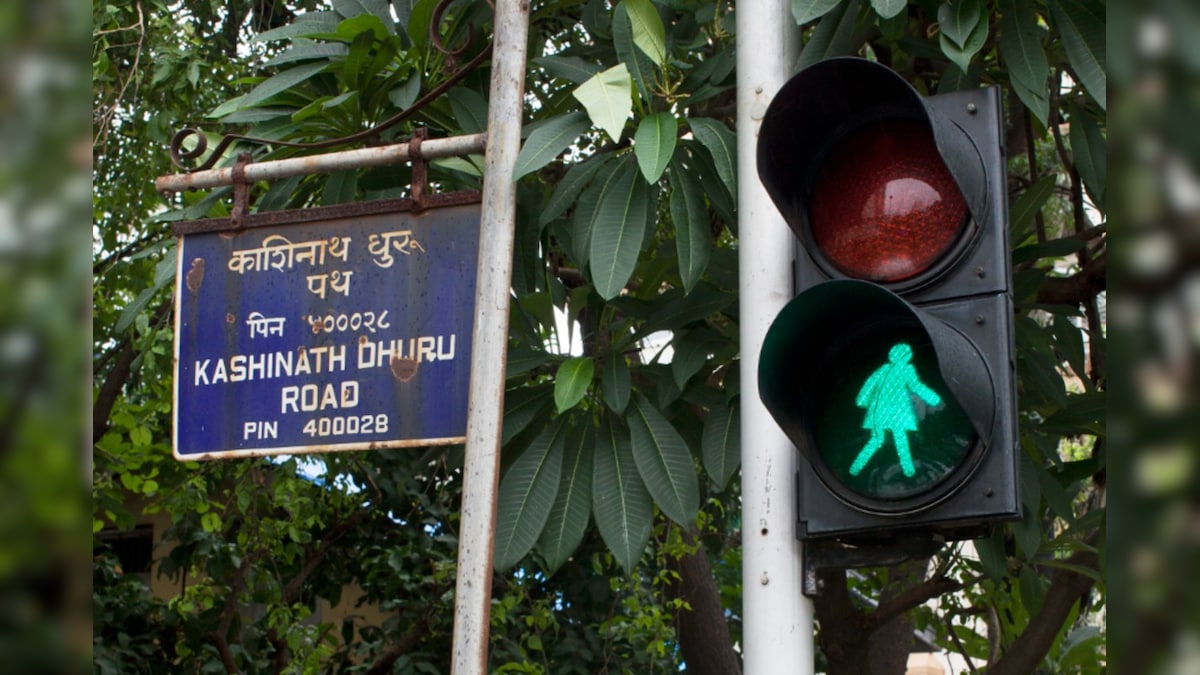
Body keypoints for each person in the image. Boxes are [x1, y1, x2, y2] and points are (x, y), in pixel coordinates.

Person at [849, 342, 943, 478]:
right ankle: (909, 471)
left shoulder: (883, 369)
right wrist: (934, 399)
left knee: (876, 440)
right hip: (897, 413)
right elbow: (916, 386)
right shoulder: (906, 369)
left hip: (879, 412)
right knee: (901, 440)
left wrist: (861, 400)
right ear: (907, 357)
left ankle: (855, 468)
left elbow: (869, 384)